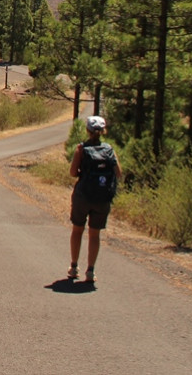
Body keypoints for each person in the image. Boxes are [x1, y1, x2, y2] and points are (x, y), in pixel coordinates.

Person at [67, 115, 122, 284]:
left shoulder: (81, 149)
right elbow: (118, 173)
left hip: (83, 196)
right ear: (103, 131)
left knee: (77, 230)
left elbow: (73, 172)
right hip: (102, 198)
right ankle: (90, 270)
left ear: (87, 130)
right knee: (94, 234)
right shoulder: (109, 150)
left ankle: (74, 266)